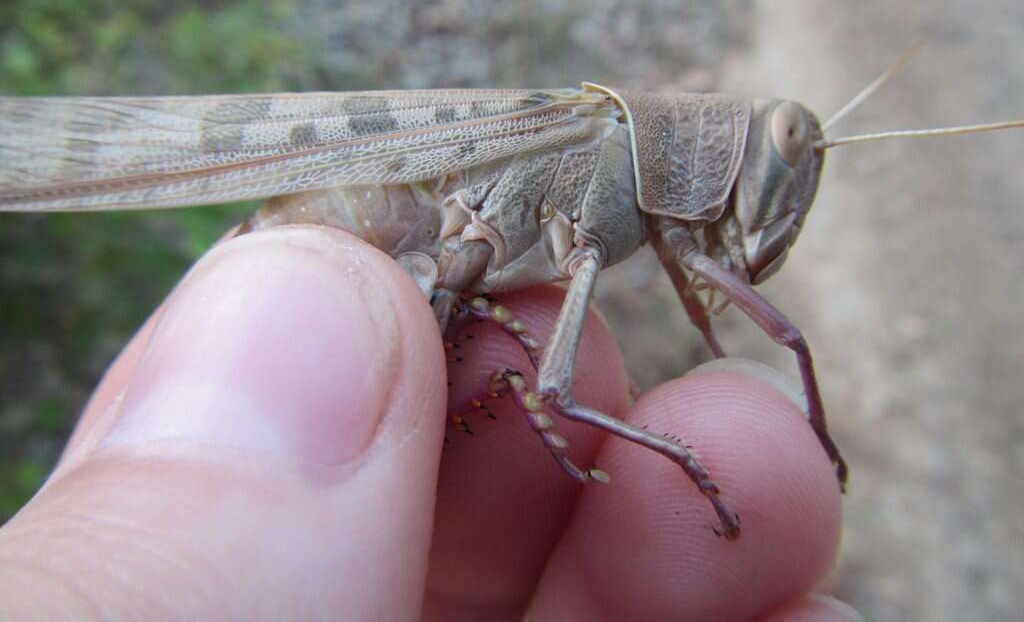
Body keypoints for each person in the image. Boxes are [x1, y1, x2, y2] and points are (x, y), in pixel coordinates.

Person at [0, 225, 861, 621]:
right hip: (354, 240)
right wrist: (691, 461)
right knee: (549, 386)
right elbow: (558, 391)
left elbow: (705, 281)